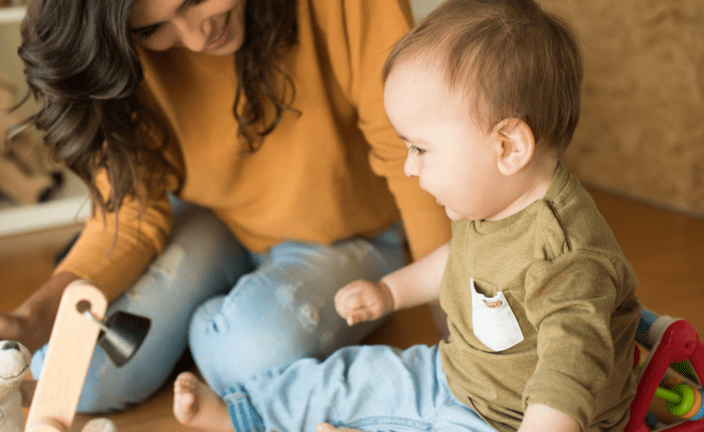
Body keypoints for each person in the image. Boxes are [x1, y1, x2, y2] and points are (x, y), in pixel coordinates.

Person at [0, 0, 452, 414]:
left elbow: (407, 153)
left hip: (351, 232)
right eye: (154, 29)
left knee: (244, 355)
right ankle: (204, 324)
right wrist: (34, 317)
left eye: (192, 0)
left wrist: (453, 319)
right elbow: (130, 213)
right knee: (74, 373)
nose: (193, 37)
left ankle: (202, 330)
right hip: (217, 222)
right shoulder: (118, 44)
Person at [169, 0, 644, 431]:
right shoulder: (495, 198)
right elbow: (458, 261)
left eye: (420, 148)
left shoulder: (568, 257)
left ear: (508, 146)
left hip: (512, 421)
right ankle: (244, 414)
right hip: (458, 374)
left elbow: (569, 375)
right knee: (353, 376)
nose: (409, 166)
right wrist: (389, 291)